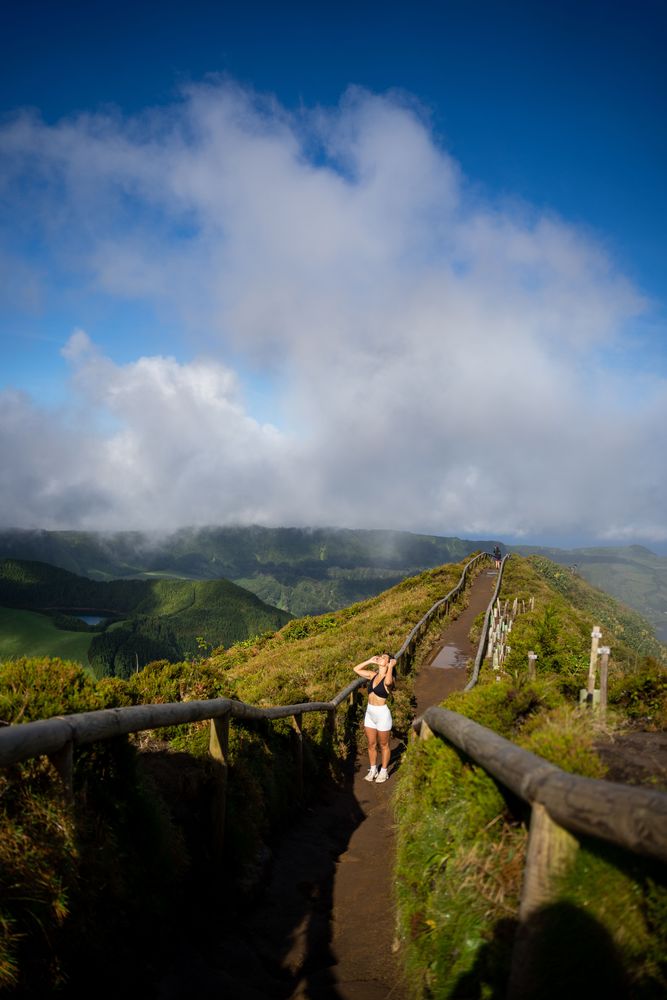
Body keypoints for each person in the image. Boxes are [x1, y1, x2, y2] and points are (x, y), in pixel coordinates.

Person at [353, 652, 396, 783]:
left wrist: (391, 667)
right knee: (371, 744)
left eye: (384, 657)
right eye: (380, 656)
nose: (380, 658)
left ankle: (383, 771)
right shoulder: (373, 675)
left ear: (389, 662)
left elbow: (388, 682)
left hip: (382, 714)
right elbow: (356, 669)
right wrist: (369, 660)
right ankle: (373, 770)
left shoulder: (390, 678)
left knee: (384, 744)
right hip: (370, 713)